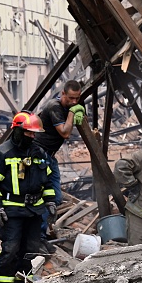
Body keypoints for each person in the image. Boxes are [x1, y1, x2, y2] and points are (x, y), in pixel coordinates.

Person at [0, 111, 57, 283]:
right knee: (11, 249)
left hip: (34, 211)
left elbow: (48, 182)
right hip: (12, 211)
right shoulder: (2, 153)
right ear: (17, 131)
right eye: (28, 133)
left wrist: (50, 202)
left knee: (31, 249)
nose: (32, 137)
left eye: (34, 134)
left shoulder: (39, 154)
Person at [33, 80, 84, 253]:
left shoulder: (70, 105)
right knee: (42, 197)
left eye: (77, 99)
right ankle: (38, 238)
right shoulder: (54, 106)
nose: (74, 102)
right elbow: (65, 132)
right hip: (40, 154)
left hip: (50, 156)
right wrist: (72, 113)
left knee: (55, 198)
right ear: (63, 94)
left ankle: (42, 233)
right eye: (70, 98)